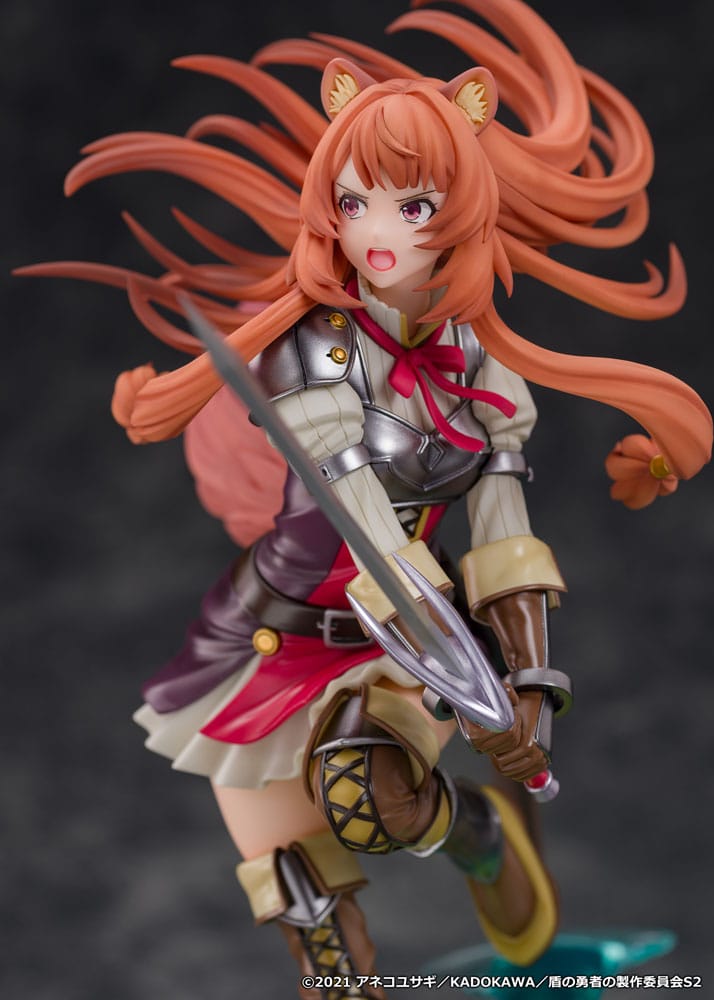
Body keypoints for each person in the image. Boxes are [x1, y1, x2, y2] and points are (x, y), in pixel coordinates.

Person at [17, 2, 712, 998]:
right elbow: (367, 524)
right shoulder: (313, 352)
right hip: (280, 627)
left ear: (462, 207)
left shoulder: (483, 368)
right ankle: (456, 847)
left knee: (366, 797)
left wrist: (527, 689)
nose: (377, 234)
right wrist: (457, 661)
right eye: (354, 202)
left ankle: (477, 833)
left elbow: (504, 531)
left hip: (401, 646)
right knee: (307, 912)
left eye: (414, 208)